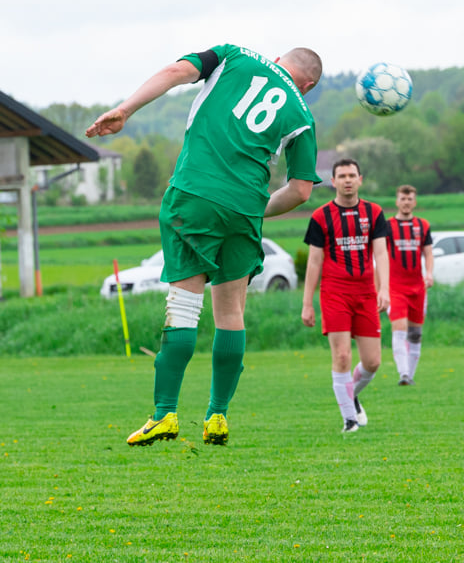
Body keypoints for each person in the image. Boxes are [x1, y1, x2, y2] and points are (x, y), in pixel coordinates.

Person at [85, 45, 324, 447]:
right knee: (231, 312)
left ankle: (164, 415)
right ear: (310, 84)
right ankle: (217, 416)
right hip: (245, 208)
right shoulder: (303, 114)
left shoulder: (234, 55)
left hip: (195, 193)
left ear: (281, 57)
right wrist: (253, 210)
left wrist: (126, 109)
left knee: (183, 306)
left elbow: (175, 71)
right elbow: (300, 191)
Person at [301, 158, 390, 433]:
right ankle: (349, 420)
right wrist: (307, 304)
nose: (348, 180)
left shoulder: (374, 213)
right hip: (334, 293)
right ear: (333, 181)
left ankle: (350, 394)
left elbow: (380, 253)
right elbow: (314, 262)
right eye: (342, 175)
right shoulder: (320, 217)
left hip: (365, 294)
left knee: (373, 362)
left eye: (352, 175)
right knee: (341, 356)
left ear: (360, 180)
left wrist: (384, 288)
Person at [386, 184, 434, 385]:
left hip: (418, 288)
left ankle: (410, 377)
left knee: (415, 334)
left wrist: (429, 273)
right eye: (402, 199)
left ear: (414, 202)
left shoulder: (423, 225)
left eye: (409, 199)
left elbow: (428, 252)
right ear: (397, 201)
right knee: (399, 328)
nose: (406, 202)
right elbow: (378, 254)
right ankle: (403, 374)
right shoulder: (386, 226)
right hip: (395, 287)